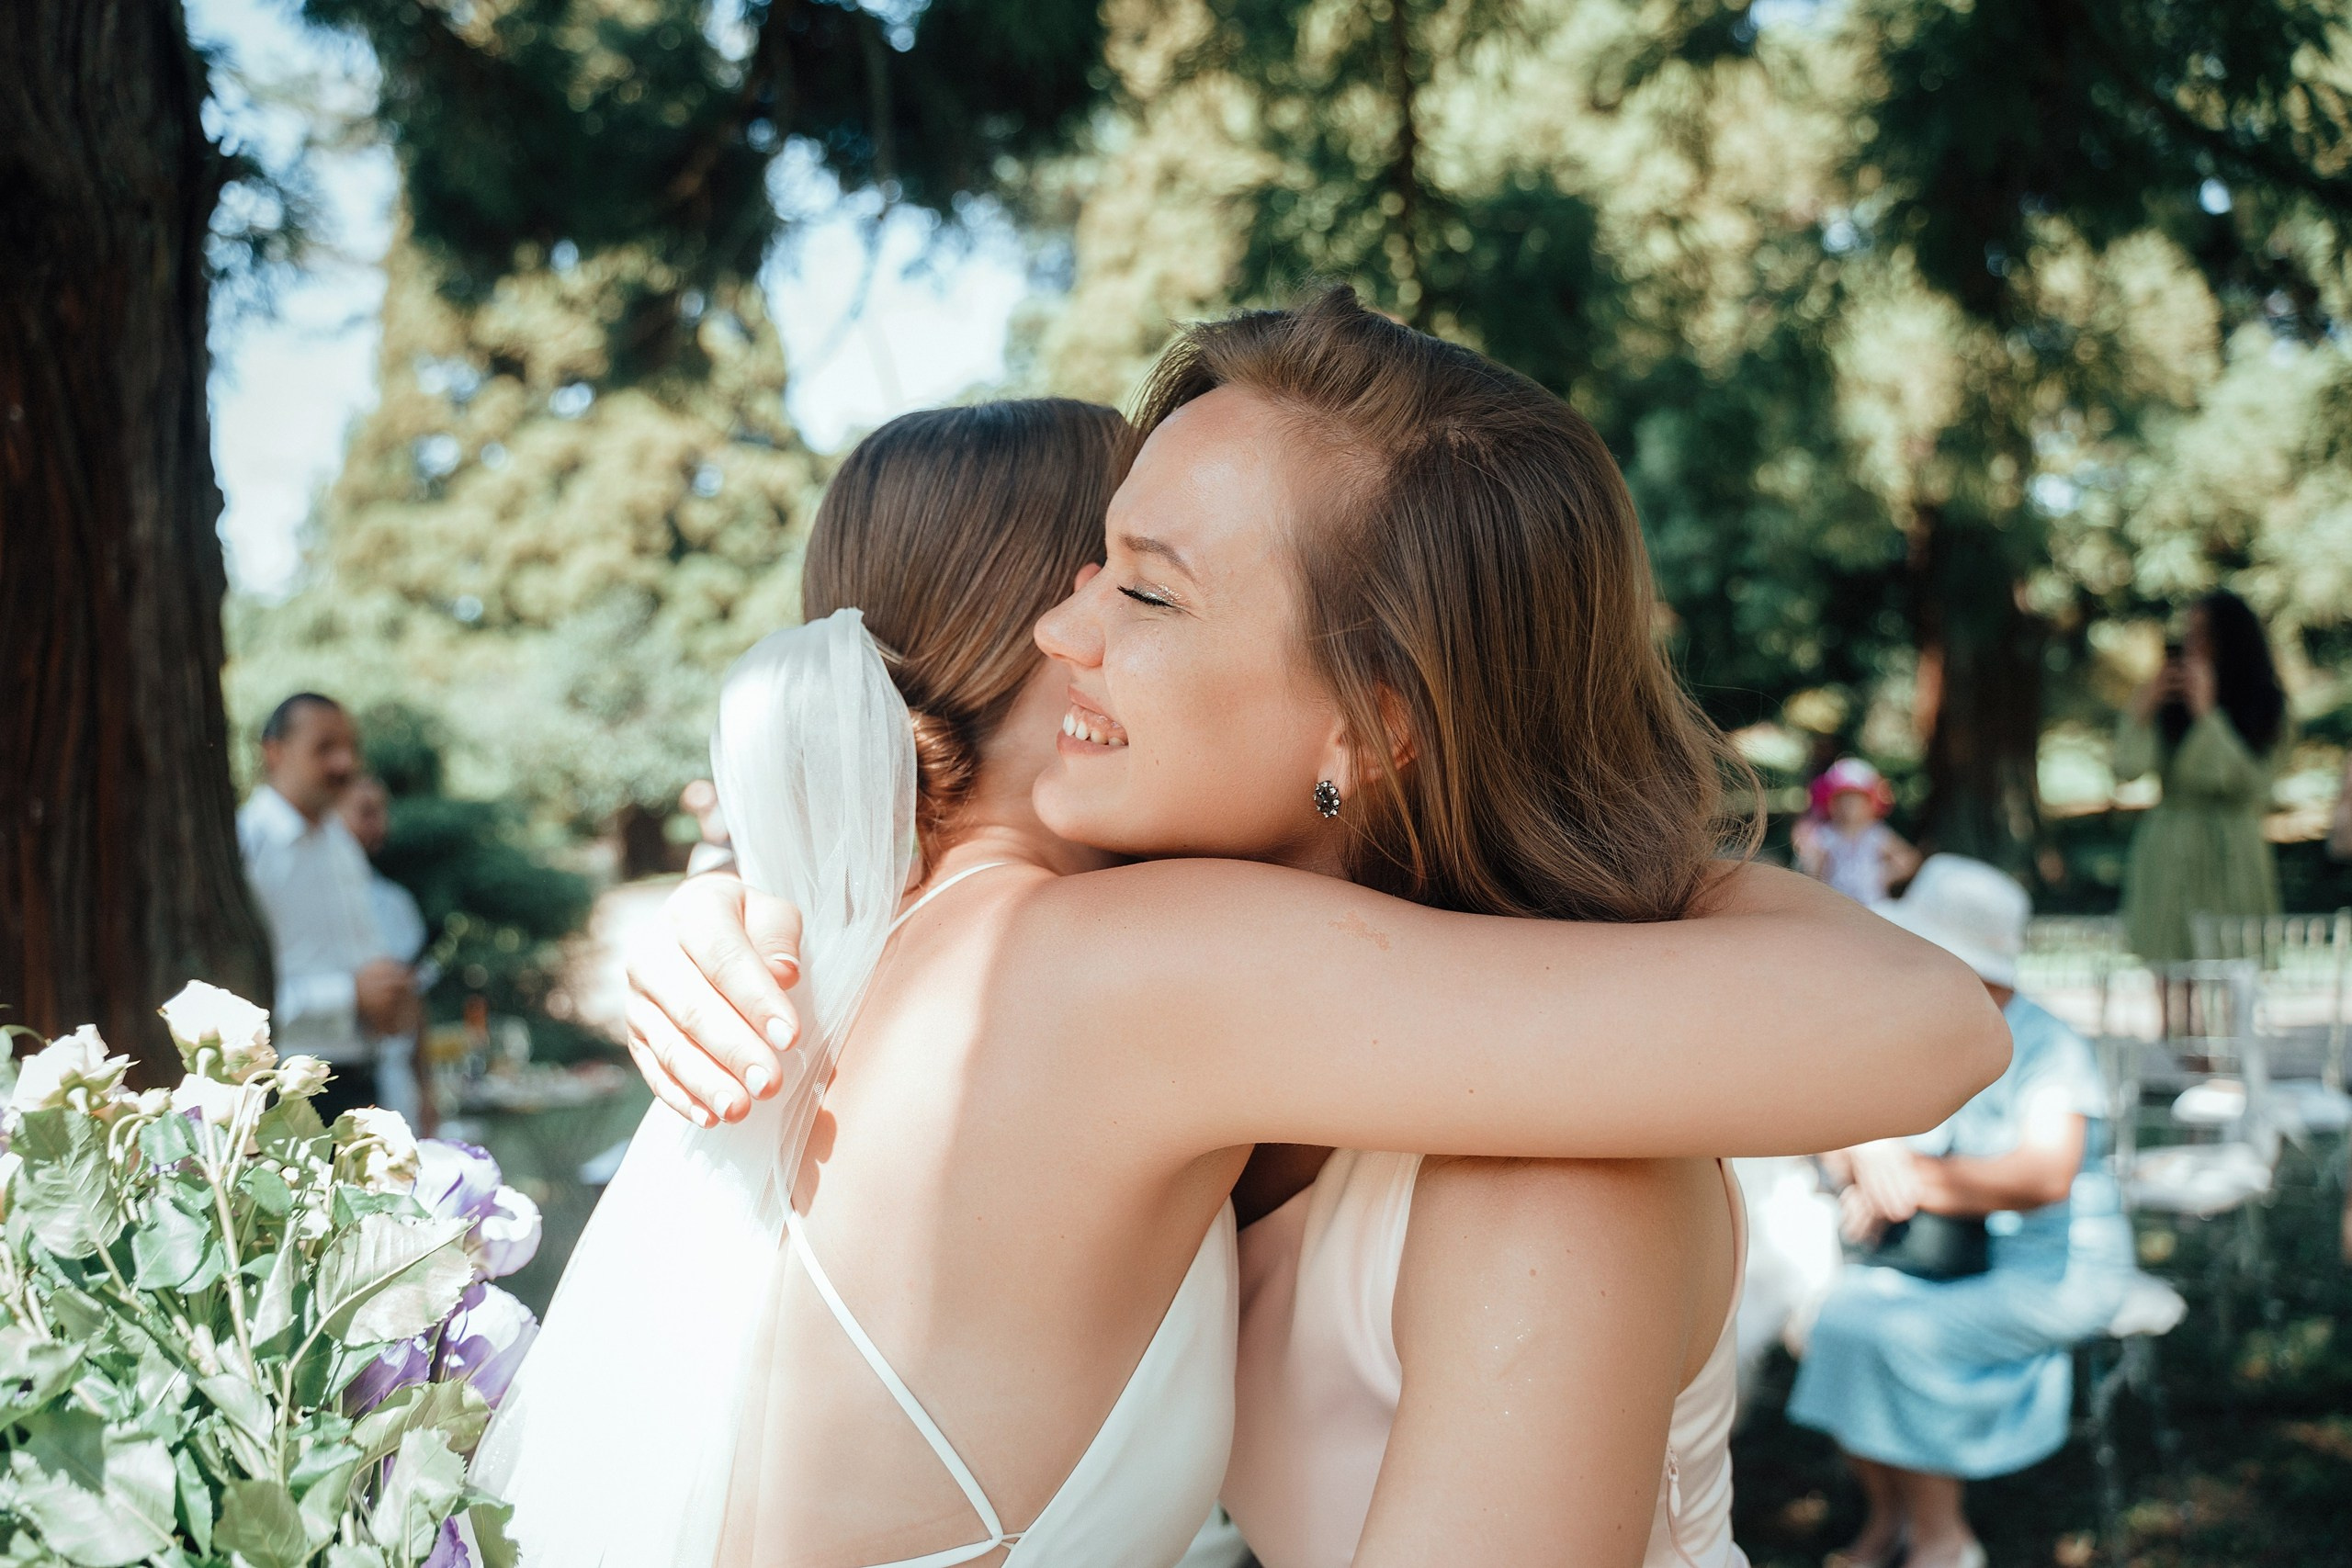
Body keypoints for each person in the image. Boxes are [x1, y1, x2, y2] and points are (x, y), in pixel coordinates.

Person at [517, 298, 2005, 1568]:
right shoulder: (1146, 986)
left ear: (1377, 721)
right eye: (1085, 567)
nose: (1066, 630)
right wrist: (724, 882)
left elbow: (1932, 1021)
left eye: (1143, 584)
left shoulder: (1501, 1131)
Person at [1788, 855, 2135, 1568]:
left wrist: (1907, 1175)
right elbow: (1835, 1134)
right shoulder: (1931, 1031)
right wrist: (1865, 1148)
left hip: (2056, 1271)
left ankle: (1944, 1539)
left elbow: (2042, 1177)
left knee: (1901, 1338)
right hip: (1953, 1257)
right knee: (1837, 1320)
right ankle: (1890, 1520)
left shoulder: (2050, 1044)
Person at [238, 694, 416, 1121]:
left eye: (351, 748)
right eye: (325, 749)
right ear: (274, 752)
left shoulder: (339, 841)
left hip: (362, 1078)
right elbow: (235, 998)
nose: (345, 764)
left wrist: (387, 998)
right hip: (284, 1092)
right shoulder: (248, 844)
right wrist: (350, 996)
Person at [2115, 591, 2287, 1026]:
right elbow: (2127, 768)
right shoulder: (2163, 701)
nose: (2191, 645)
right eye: (2186, 634)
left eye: (2202, 634)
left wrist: (2208, 714)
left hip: (2234, 845)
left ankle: (2235, 1055)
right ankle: (2182, 1055)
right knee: (2170, 954)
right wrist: (2144, 707)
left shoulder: (2267, 705)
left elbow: (2251, 785)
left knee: (2235, 953)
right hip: (2170, 840)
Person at [336, 774, 435, 1132]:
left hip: (392, 1081)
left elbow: (415, 1008)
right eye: (366, 812)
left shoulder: (395, 904)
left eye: (382, 812)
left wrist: (427, 1090)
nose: (379, 825)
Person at [1793, 758, 1919, 907]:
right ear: (1830, 802)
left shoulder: (1875, 833)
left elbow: (1909, 859)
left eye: (1855, 800)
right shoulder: (1827, 834)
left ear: (1871, 803)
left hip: (1872, 906)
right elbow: (1813, 871)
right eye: (1842, 800)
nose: (1848, 806)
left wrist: (1882, 875)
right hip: (1837, 904)